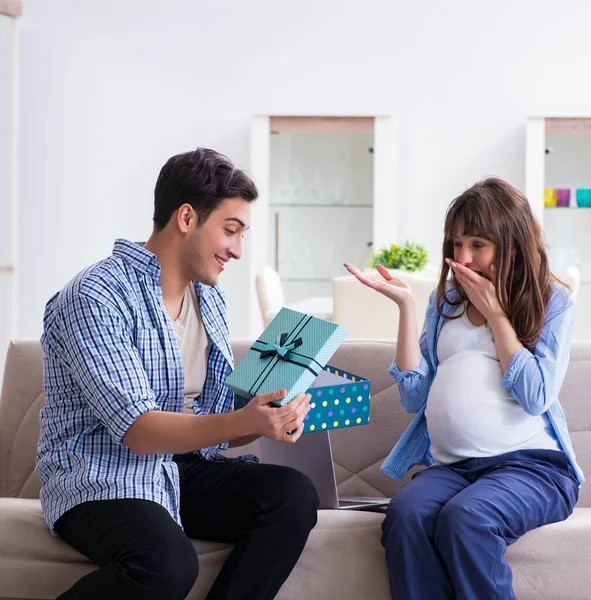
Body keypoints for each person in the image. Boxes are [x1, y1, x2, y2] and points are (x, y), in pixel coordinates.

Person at [36, 147, 318, 600]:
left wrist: (266, 418)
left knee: (292, 496)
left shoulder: (211, 302)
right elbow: (139, 431)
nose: (238, 251)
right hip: (101, 475)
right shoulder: (95, 295)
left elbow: (219, 425)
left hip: (182, 468)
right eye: (231, 231)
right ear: (186, 218)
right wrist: (241, 421)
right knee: (165, 564)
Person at [344, 177, 583, 600]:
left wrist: (496, 315)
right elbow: (414, 398)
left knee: (466, 519)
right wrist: (406, 307)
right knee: (406, 513)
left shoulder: (551, 301)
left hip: (533, 469)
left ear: (510, 246)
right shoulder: (446, 302)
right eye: (456, 245)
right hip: (453, 469)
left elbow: (535, 395)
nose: (463, 259)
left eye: (477, 245)